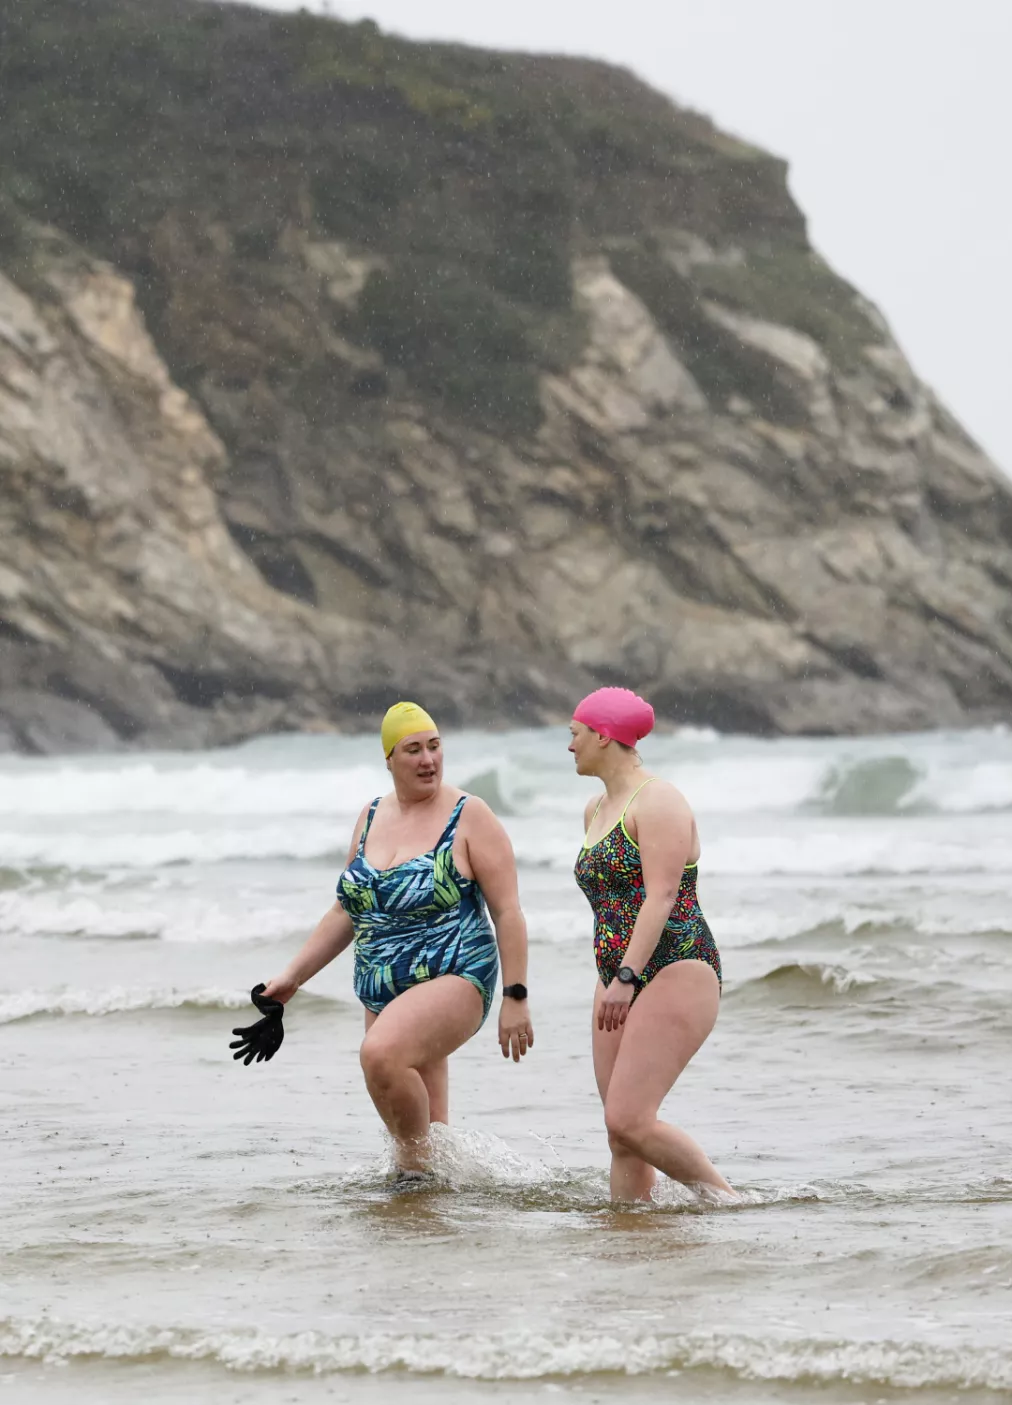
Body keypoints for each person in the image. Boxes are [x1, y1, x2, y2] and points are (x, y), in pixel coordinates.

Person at [261, 701, 534, 1178]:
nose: (428, 759)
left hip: (455, 974)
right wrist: (292, 978)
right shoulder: (370, 816)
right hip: (380, 983)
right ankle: (434, 1202)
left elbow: (508, 911)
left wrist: (516, 995)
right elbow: (348, 908)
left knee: (381, 1056)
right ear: (389, 758)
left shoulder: (470, 815)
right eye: (413, 750)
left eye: (434, 746)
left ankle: (411, 1177)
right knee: (428, 1121)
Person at [570, 687, 732, 1202]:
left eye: (575, 735)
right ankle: (630, 1232)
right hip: (616, 975)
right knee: (621, 1136)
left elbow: (660, 897)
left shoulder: (659, 800)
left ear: (603, 735)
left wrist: (626, 976)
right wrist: (613, 977)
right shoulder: (596, 807)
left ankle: (729, 1202)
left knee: (630, 1118)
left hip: (674, 966)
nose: (570, 746)